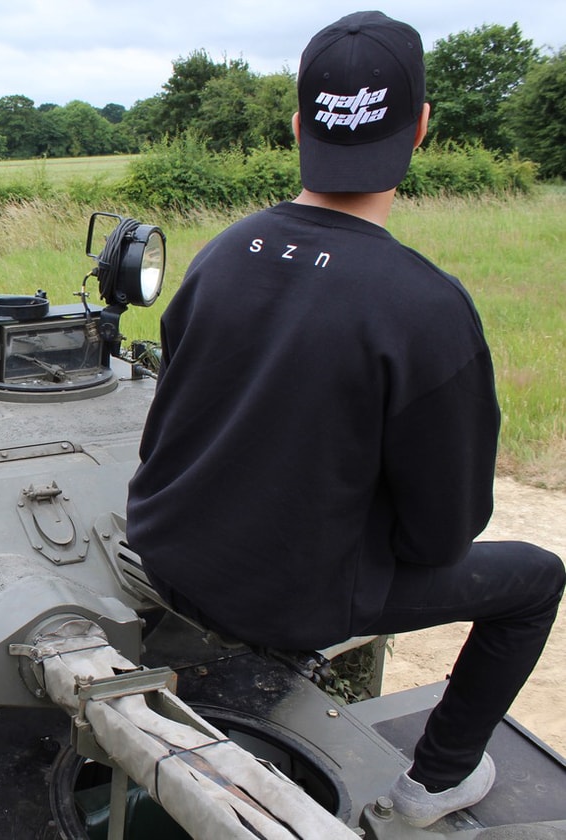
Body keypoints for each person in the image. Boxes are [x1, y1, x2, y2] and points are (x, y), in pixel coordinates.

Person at [125, 10, 564, 829]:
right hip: (286, 602)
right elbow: (445, 536)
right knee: (536, 580)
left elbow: (174, 427)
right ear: (422, 127)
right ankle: (436, 781)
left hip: (166, 555)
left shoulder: (223, 252)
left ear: (299, 126)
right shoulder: (425, 308)